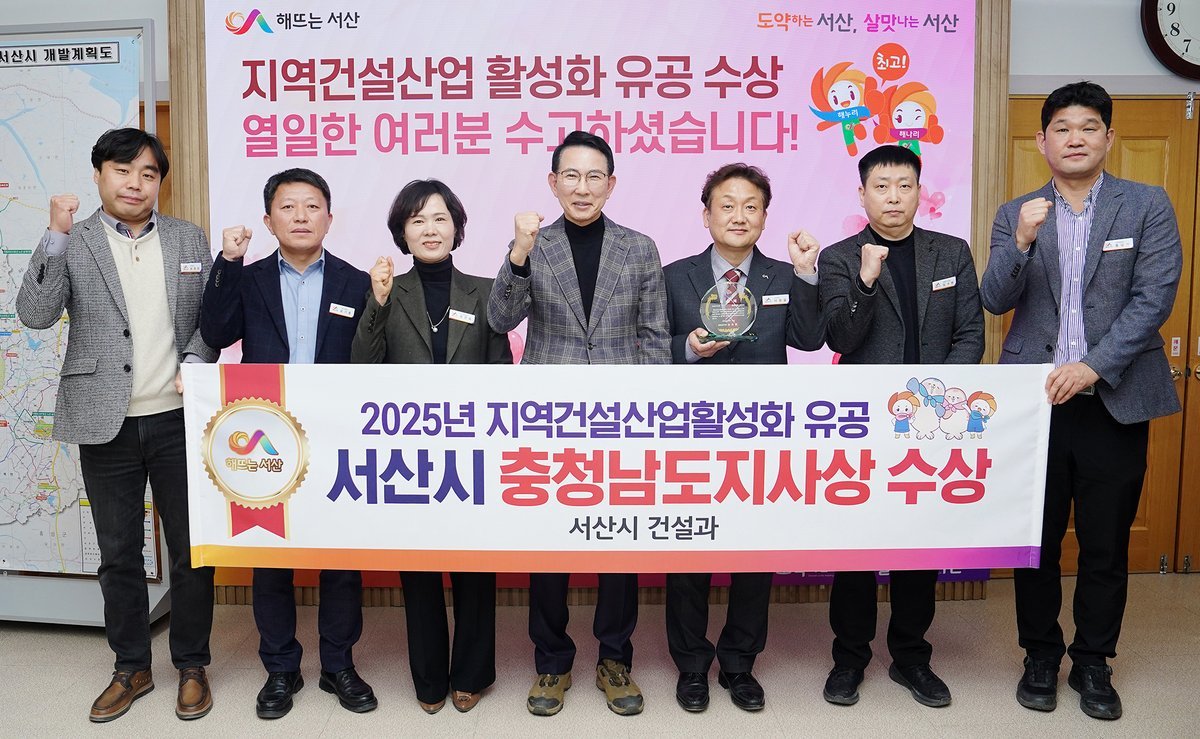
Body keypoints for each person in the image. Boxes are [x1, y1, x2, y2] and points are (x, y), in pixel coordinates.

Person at [981, 81, 1182, 722]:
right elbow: (994, 298)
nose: (1075, 138)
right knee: (1035, 541)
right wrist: (1019, 243)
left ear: (1109, 137)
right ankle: (1040, 655)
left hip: (1113, 400)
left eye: (1089, 127)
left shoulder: (1146, 205)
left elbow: (1154, 298)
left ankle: (1094, 661)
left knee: (1104, 542)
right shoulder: (1017, 211)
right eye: (1062, 128)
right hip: (1035, 404)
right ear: (1042, 141)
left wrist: (1093, 366)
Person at [16, 128, 218, 722]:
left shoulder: (187, 237)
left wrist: (196, 360)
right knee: (119, 554)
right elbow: (34, 314)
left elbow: (211, 317)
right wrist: (54, 235)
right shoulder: (73, 240)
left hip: (179, 419)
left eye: (148, 173)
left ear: (160, 183)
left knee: (192, 551)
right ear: (99, 175)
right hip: (105, 422)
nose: (135, 183)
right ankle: (131, 667)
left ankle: (192, 665)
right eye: (123, 171)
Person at [488, 130, 670, 716]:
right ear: (553, 183)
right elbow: (500, 318)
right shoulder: (532, 245)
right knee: (550, 547)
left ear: (611, 185)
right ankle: (552, 660)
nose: (582, 187)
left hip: (622, 418)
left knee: (619, 544)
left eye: (594, 176)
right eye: (571, 175)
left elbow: (655, 337)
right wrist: (518, 253)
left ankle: (615, 657)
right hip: (549, 417)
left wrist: (649, 414)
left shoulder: (639, 248)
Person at [200, 168, 377, 719]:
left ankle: (338, 665)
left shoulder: (356, 283)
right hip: (266, 441)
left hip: (337, 436)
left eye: (312, 206)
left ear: (330, 217)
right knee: (270, 559)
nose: (301, 216)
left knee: (340, 559)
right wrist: (227, 262)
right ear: (268, 219)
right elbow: (215, 333)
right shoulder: (248, 278)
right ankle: (280, 668)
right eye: (288, 207)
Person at [818, 144, 984, 709]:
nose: (893, 197)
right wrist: (866, 281)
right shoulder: (841, 257)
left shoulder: (951, 252)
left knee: (920, 546)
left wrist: (937, 403)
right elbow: (839, 338)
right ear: (862, 194)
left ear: (919, 191)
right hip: (864, 423)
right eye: (881, 187)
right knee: (857, 550)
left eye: (904, 185)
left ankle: (912, 657)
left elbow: (970, 335)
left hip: (932, 424)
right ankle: (849, 658)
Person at [661, 162, 823, 714]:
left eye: (750, 206)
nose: (738, 216)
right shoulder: (673, 276)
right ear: (705, 215)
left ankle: (739, 662)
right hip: (690, 435)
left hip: (761, 437)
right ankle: (691, 665)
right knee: (689, 554)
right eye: (726, 205)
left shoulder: (783, 275)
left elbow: (809, 339)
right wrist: (688, 349)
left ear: (764, 217)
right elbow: (650, 346)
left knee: (755, 554)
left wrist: (806, 274)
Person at [351, 178, 510, 714]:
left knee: (474, 571)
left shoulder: (485, 291)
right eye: (417, 220)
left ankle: (471, 674)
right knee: (418, 571)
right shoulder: (386, 292)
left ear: (457, 227)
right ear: (403, 232)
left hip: (472, 453)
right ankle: (428, 678)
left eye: (440, 218)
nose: (430, 229)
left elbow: (501, 372)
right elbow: (362, 368)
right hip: (408, 456)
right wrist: (376, 303)